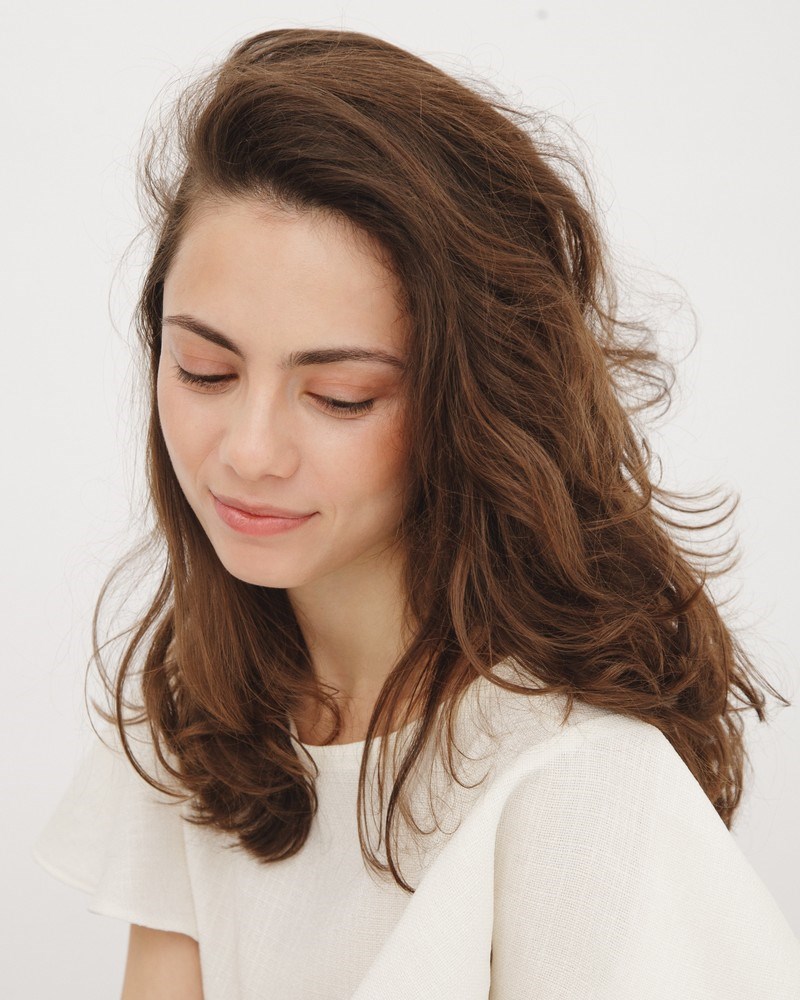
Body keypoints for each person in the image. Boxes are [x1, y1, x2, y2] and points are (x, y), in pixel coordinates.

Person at [32, 27, 800, 1000]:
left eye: (340, 396)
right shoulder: (202, 715)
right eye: (205, 369)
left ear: (468, 403)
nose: (249, 450)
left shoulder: (581, 783)